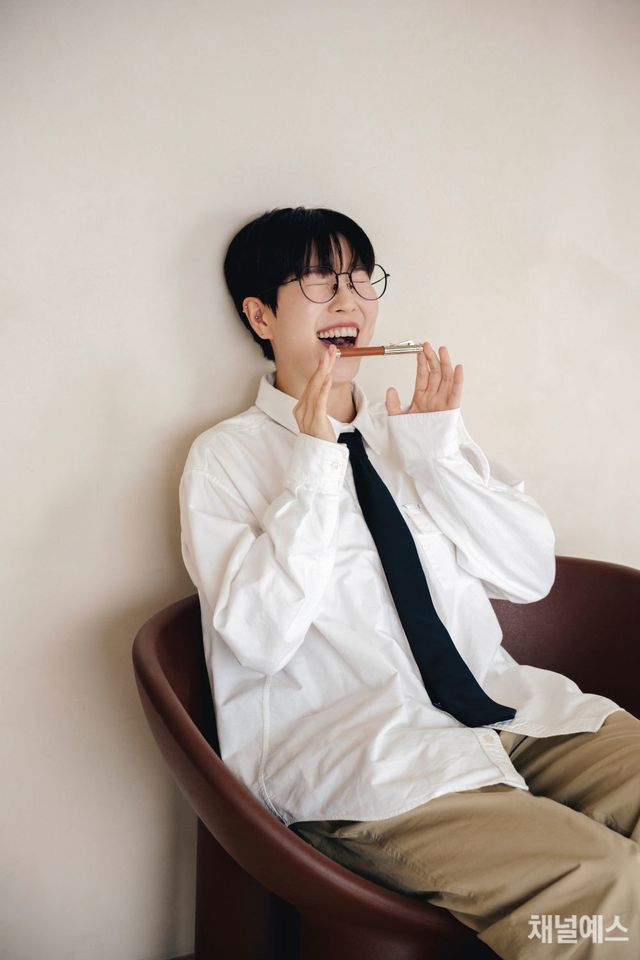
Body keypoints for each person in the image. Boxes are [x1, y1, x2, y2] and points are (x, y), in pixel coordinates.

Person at [178, 206, 640, 959]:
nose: (350, 301)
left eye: (361, 279)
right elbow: (259, 642)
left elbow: (529, 576)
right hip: (369, 763)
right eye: (319, 282)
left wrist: (438, 458)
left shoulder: (413, 434)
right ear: (260, 316)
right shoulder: (223, 459)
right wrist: (314, 468)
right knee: (612, 891)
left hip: (511, 714)